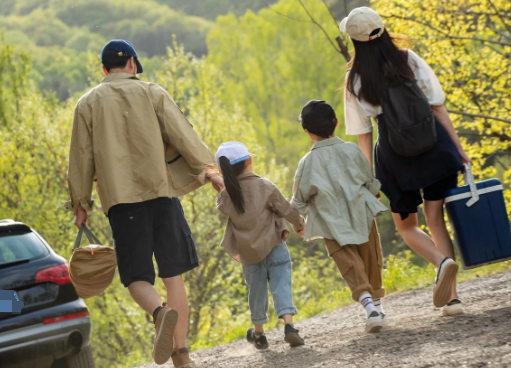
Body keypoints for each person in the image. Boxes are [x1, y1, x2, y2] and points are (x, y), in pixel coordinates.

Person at [66, 39, 224, 367]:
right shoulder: (152, 92)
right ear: (134, 65)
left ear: (103, 70)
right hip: (163, 196)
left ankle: (158, 312)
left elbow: (81, 157)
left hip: (122, 204)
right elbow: (183, 134)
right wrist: (209, 170)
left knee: (136, 276)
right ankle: (181, 354)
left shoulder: (88, 103)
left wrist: (81, 204)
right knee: (174, 274)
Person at [340, 7, 470, 316]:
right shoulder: (408, 60)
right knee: (435, 218)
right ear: (383, 30)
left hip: (395, 159)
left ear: (356, 41)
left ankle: (442, 263)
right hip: (434, 147)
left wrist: (368, 178)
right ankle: (452, 299)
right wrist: (458, 149)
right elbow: (437, 107)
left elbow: (363, 136)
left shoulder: (355, 79)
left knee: (408, 226)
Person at [291, 100, 389, 333]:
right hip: (361, 213)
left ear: (307, 132)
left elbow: (299, 198)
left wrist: (298, 220)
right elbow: (368, 180)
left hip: (329, 222)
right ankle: (377, 307)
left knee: (348, 263)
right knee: (371, 258)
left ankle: (370, 309)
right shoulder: (352, 149)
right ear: (336, 123)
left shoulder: (307, 162)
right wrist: (374, 193)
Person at [215, 141, 306, 349]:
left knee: (256, 292)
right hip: (275, 246)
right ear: (249, 160)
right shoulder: (265, 186)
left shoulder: (226, 196)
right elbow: (286, 209)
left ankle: (259, 335)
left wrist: (222, 184)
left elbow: (222, 205)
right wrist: (299, 223)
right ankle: (289, 327)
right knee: (281, 284)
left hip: (248, 255)